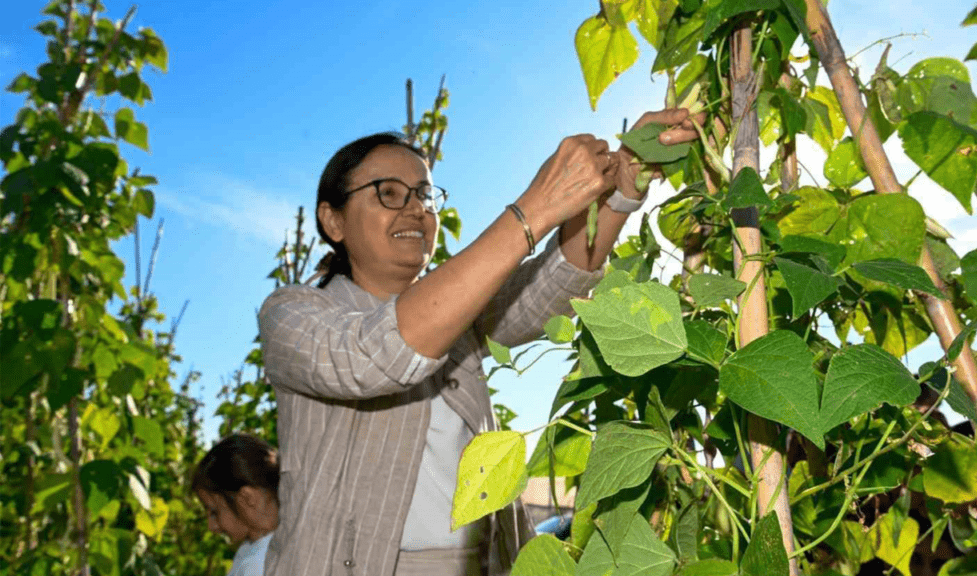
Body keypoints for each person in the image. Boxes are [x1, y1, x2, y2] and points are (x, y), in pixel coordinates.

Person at [258, 108, 702, 576]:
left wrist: (623, 186)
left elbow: (550, 289)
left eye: (425, 195)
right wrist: (533, 210)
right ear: (333, 221)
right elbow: (374, 356)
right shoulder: (292, 314)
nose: (416, 209)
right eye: (389, 193)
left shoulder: (458, 315)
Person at [192, 434, 280, 576]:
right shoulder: (250, 549)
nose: (211, 526)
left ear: (247, 498)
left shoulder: (260, 565)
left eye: (214, 512)